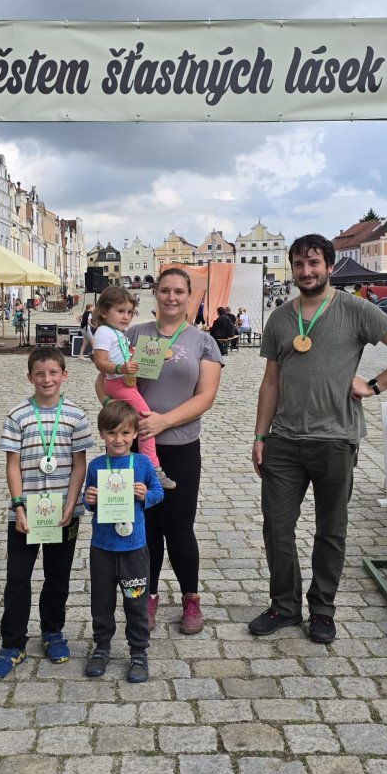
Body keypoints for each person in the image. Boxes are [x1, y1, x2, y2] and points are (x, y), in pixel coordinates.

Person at [251, 233, 387, 645]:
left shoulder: (356, 309)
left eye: (314, 263)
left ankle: (322, 610)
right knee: (277, 527)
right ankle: (284, 606)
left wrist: (375, 385)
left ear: (329, 266)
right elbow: (270, 382)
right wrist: (260, 435)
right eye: (299, 264)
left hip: (336, 439)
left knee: (331, 529)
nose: (306, 271)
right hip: (284, 440)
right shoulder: (280, 318)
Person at [98, 268, 223, 635]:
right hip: (136, 450)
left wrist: (163, 421)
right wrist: (123, 422)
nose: (171, 297)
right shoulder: (133, 334)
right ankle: (147, 597)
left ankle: (190, 599)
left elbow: (206, 396)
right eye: (165, 290)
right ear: (156, 294)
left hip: (180, 446)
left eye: (179, 291)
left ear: (189, 296)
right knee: (146, 527)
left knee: (180, 527)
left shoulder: (203, 341)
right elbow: (104, 382)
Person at [0, 346, 93, 679]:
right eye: (40, 374)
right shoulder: (18, 415)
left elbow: (79, 464)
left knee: (58, 576)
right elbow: (12, 464)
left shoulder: (75, 415)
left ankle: (53, 632)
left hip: (63, 512)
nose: (47, 379)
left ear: (64, 375)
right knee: (18, 579)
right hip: (26, 513)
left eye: (53, 373)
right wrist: (18, 506)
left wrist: (71, 504)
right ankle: (12, 645)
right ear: (30, 377)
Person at [83, 400, 164, 683]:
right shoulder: (96, 466)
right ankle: (101, 647)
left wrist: (145, 495)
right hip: (103, 548)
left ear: (135, 434)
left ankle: (139, 652)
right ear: (102, 434)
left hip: (134, 548)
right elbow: (88, 500)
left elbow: (158, 492)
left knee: (136, 602)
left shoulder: (141, 464)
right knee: (101, 602)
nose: (119, 439)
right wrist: (89, 500)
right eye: (112, 433)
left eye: (125, 433)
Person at [92, 286, 176, 490]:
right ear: (104, 312)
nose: (126, 317)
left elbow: (124, 355)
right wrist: (120, 368)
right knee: (146, 421)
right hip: (119, 384)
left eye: (129, 312)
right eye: (120, 311)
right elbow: (100, 362)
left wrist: (150, 358)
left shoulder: (117, 333)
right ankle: (153, 466)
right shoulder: (104, 332)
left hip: (125, 382)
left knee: (134, 422)